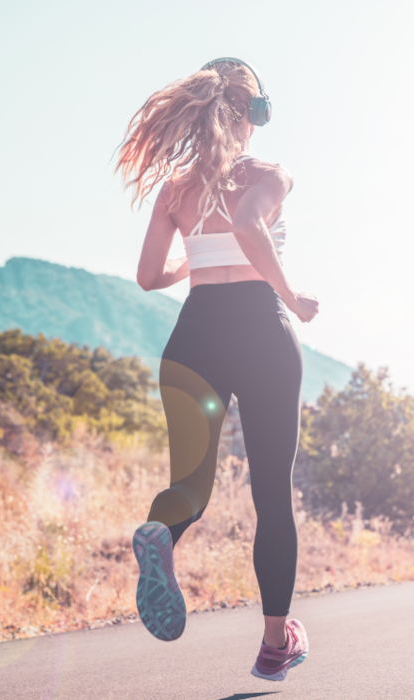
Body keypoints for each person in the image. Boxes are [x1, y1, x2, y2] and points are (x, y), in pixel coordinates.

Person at [114, 57, 318, 682]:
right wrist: (291, 295)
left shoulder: (175, 188)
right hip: (260, 331)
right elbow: (250, 227)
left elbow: (150, 277)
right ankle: (274, 644)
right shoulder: (268, 173)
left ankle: (159, 534)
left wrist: (192, 257)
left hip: (194, 335)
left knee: (191, 489)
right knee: (270, 497)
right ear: (251, 114)